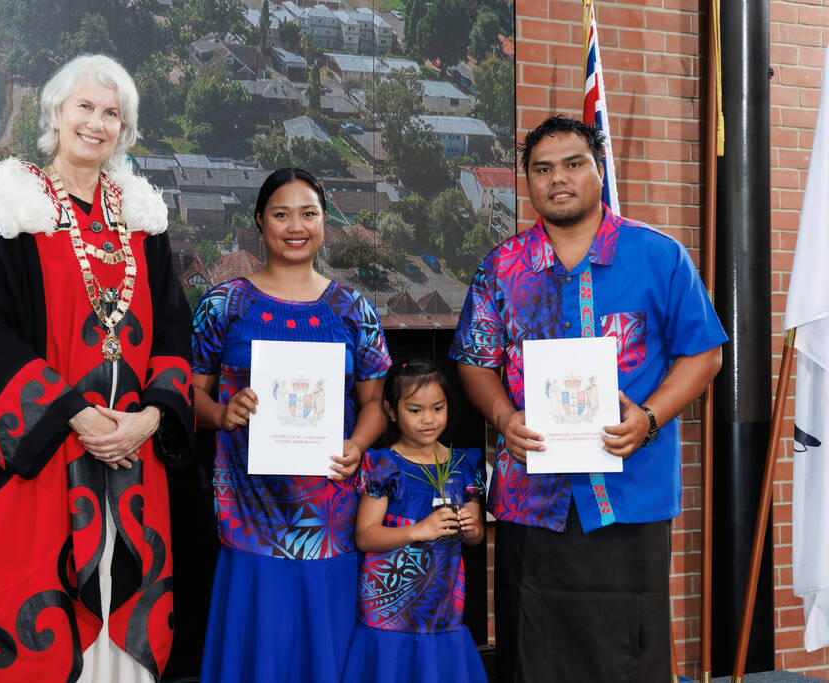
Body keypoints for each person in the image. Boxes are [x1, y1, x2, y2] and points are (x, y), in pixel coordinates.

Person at [449, 115, 727, 682]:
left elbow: (705, 354)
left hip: (630, 490)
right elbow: (474, 360)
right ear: (527, 182)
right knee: (534, 649)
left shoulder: (660, 257)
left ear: (599, 171)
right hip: (533, 495)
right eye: (542, 169)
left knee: (631, 651)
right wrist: (504, 416)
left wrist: (649, 418)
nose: (558, 179)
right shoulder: (501, 268)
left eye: (574, 164)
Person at [0, 54, 193, 682]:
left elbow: (173, 330)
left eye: (111, 112)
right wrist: (76, 417)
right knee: (45, 632)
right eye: (84, 107)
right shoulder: (9, 208)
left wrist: (149, 419)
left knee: (127, 620)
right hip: (46, 458)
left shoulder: (142, 218)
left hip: (133, 461)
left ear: (125, 129)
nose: (97, 122)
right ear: (55, 114)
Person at [191, 168, 392, 682]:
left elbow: (375, 403)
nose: (295, 226)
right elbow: (187, 393)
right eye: (281, 214)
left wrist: (356, 444)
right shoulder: (224, 303)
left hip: (330, 513)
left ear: (325, 222)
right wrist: (221, 414)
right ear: (260, 223)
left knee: (325, 653)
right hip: (249, 514)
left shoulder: (353, 309)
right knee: (259, 652)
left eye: (309, 213)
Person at [342, 360, 488, 683]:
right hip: (390, 611)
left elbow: (475, 535)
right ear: (391, 411)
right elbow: (365, 536)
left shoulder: (465, 464)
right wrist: (419, 530)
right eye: (415, 410)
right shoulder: (383, 465)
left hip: (442, 608)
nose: (429, 420)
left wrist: (473, 528)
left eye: (438, 408)